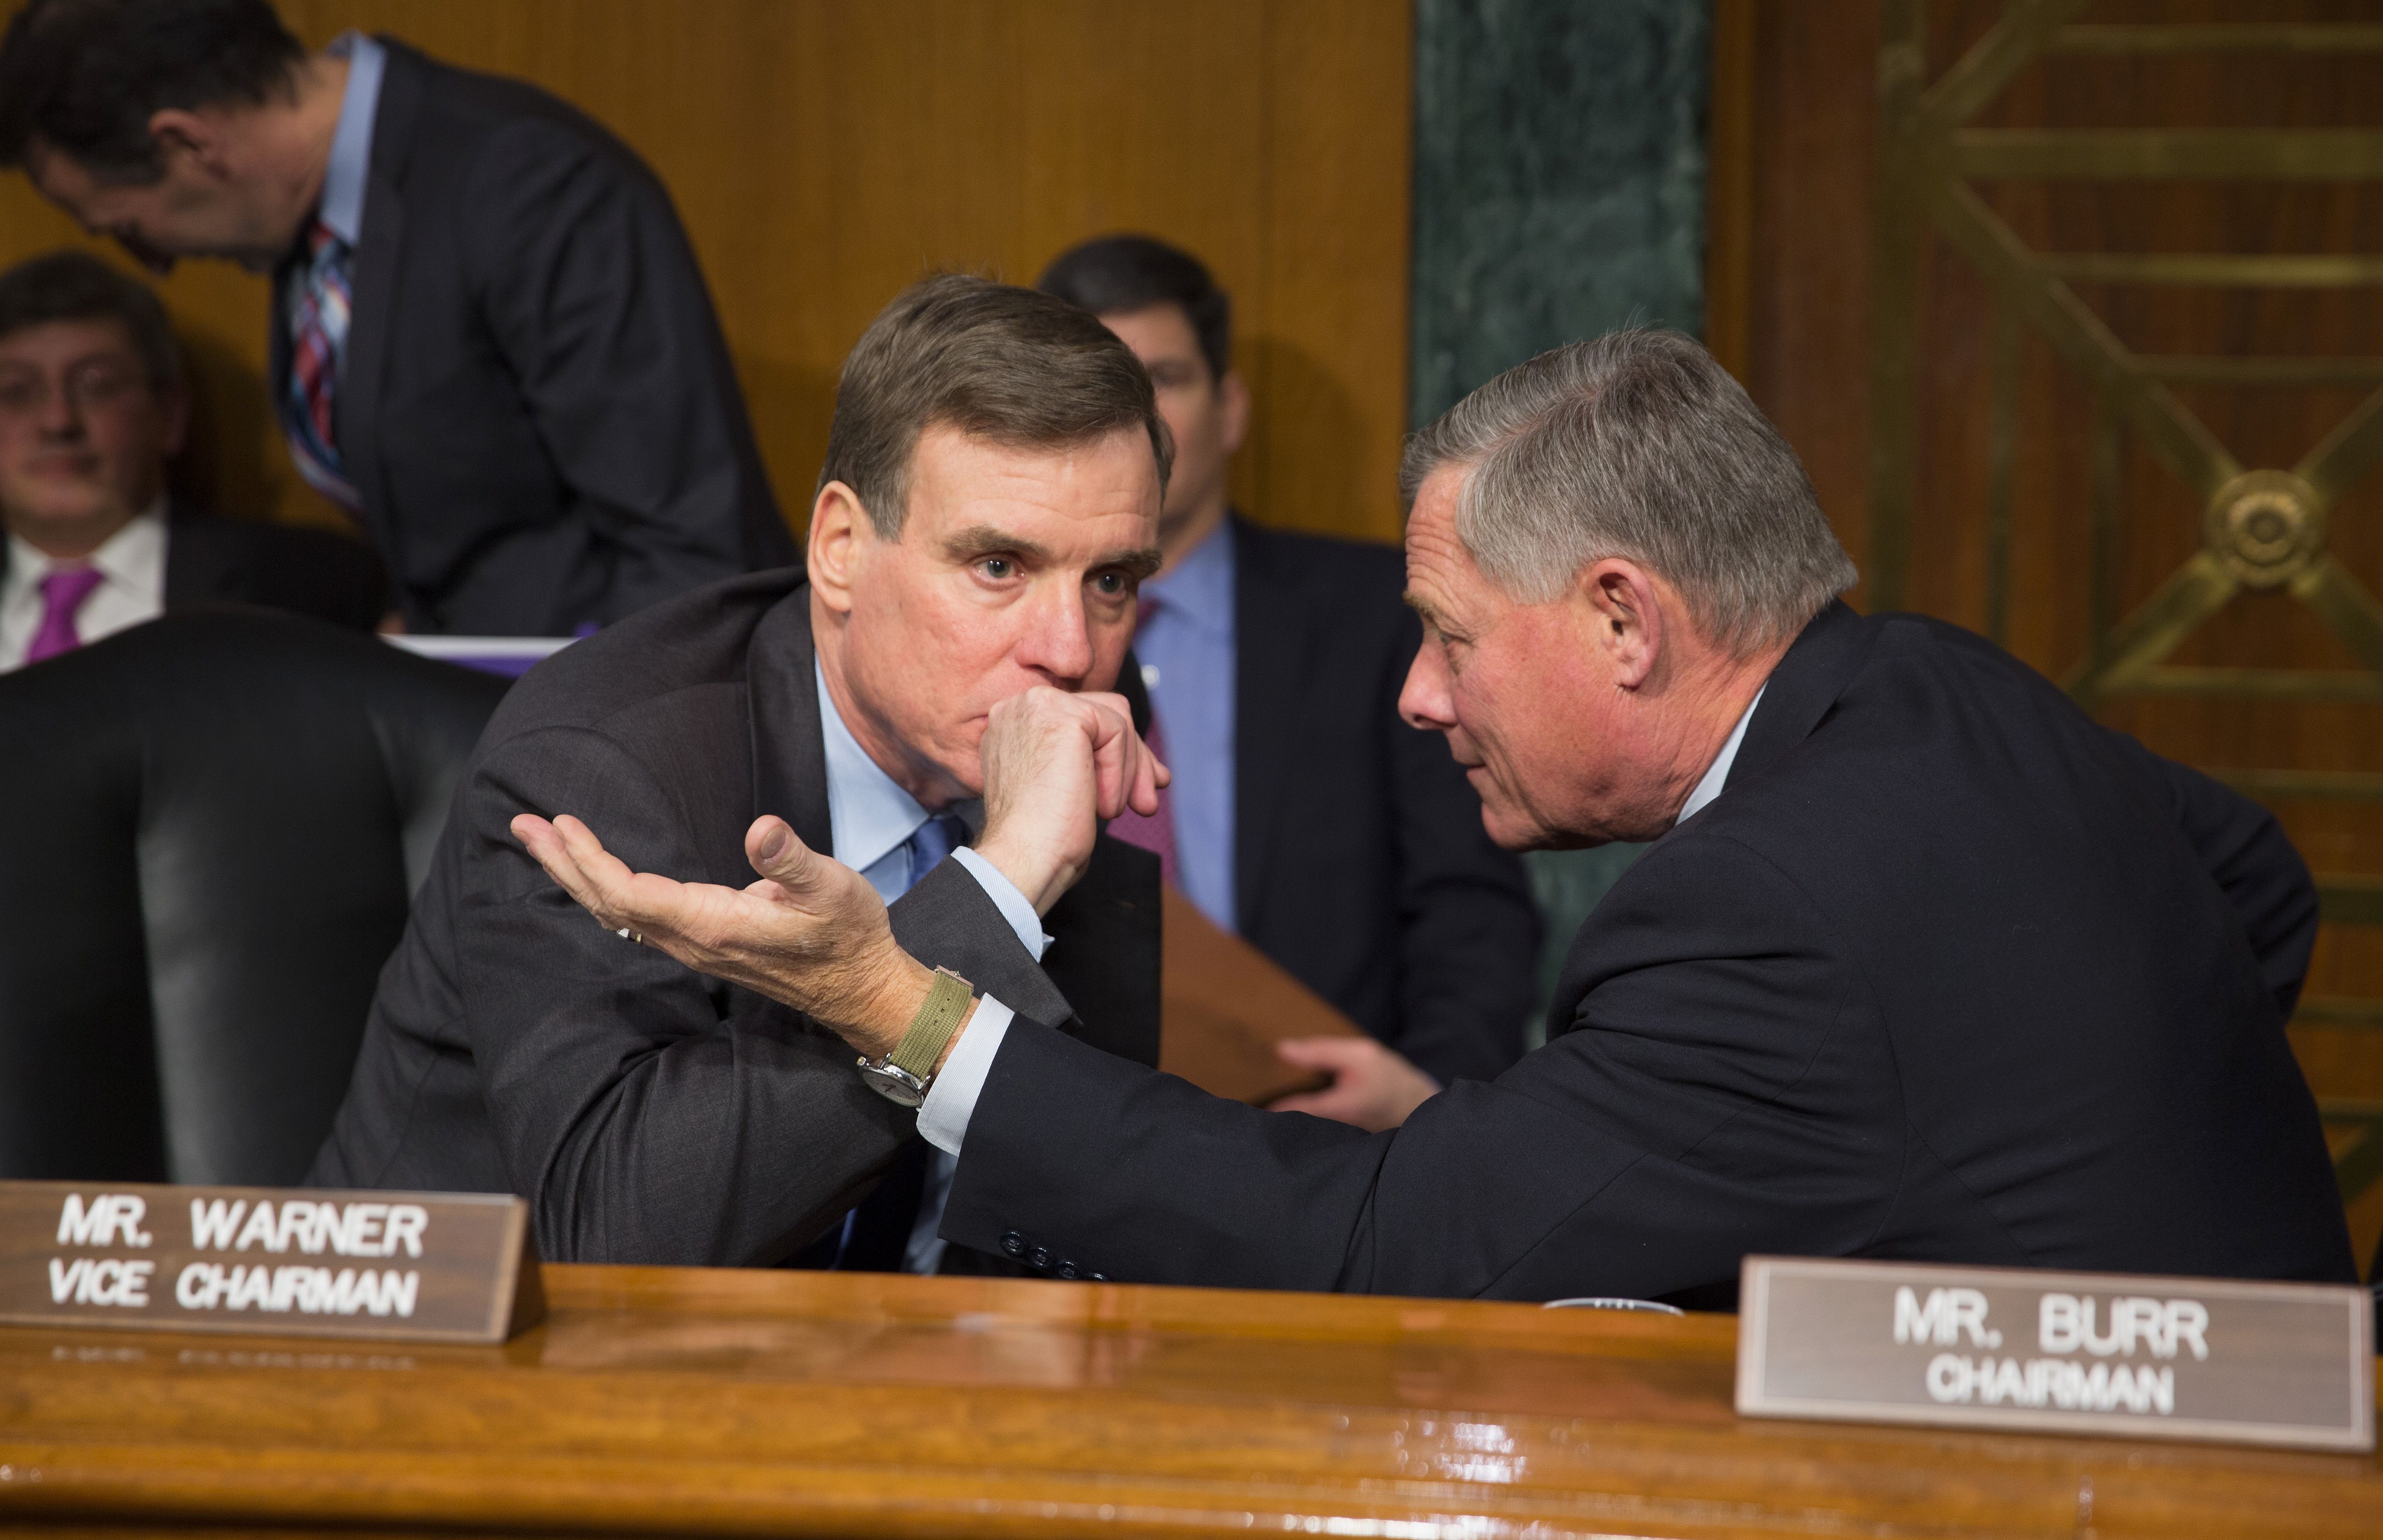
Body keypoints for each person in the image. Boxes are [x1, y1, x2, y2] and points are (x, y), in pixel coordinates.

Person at [520, 329, 2359, 1303]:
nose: (1411, 696)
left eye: (1447, 636)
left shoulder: (1766, 908)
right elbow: (2248, 885)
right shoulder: (1939, 691)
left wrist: (899, 1006)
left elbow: (1382, 1242)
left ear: (1625, 618)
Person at [310, 275, 1170, 1276]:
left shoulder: (1076, 722)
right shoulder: (606, 759)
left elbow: (1072, 1168)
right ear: (841, 547)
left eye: (1110, 580)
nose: (1069, 651)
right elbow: (622, 1234)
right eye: (997, 567)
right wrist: (1002, 884)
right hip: (471, 1378)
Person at [0, 0, 793, 637]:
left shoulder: (525, 183)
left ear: (189, 143)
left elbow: (693, 552)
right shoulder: (311, 231)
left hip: (613, 762)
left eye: (127, 229)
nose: (158, 263)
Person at [1037, 235, 1540, 1125]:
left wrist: (1429, 1116)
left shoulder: (1379, 618)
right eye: (1094, 383)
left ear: (1228, 409)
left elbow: (1472, 917)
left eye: (1163, 377)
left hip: (1331, 1152)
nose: (1133, 416)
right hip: (1050, 1137)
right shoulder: (997, 634)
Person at [0, 248, 385, 669]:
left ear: (168, 416)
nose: (58, 422)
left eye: (97, 386)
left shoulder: (314, 588)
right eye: (15, 392)